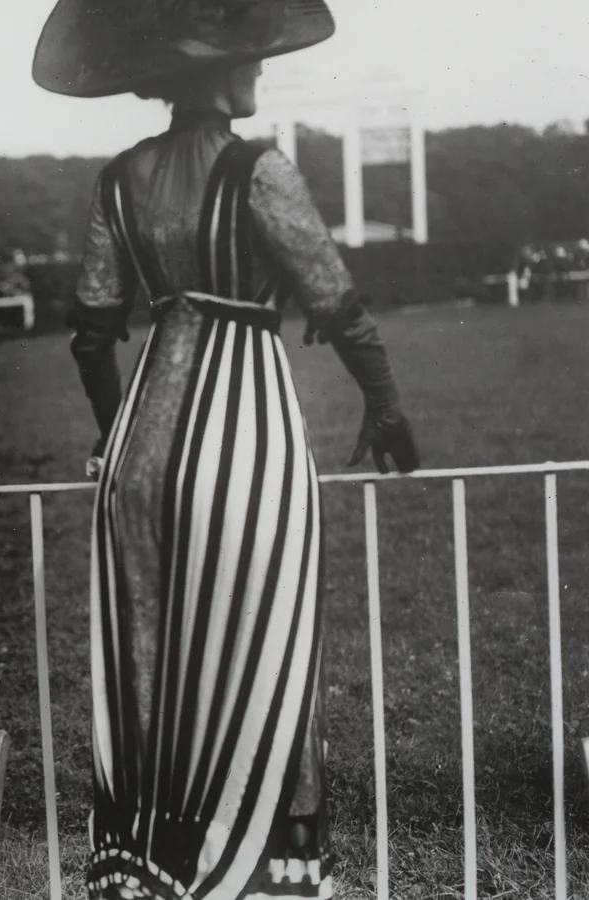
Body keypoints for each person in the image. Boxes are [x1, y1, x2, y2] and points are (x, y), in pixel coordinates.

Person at [33, 2, 420, 898]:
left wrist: (112, 433)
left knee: (149, 660)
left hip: (136, 456)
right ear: (211, 71)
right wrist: (387, 408)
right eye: (248, 56)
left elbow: (91, 334)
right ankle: (258, 870)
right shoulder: (258, 168)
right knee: (261, 646)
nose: (260, 70)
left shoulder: (118, 179)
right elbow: (336, 300)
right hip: (246, 437)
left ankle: (148, 865)